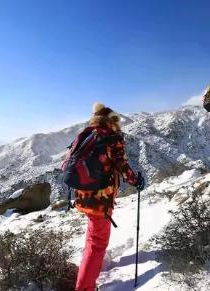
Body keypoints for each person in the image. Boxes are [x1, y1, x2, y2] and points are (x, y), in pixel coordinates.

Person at [70, 103, 145, 291]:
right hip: (100, 200)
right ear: (111, 120)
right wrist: (135, 181)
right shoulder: (111, 138)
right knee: (97, 244)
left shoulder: (87, 134)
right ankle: (84, 287)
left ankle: (89, 274)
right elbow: (122, 166)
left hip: (82, 195)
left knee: (92, 238)